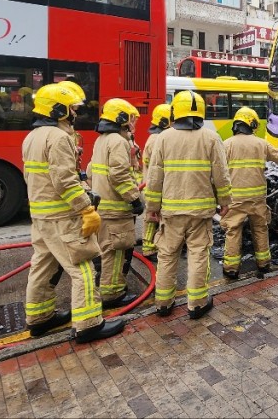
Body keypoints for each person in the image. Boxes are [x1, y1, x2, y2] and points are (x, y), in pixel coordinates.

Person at [21, 83, 125, 344]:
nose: (76, 113)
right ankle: (89, 324)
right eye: (73, 109)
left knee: (43, 265)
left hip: (42, 216)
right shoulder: (58, 138)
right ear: (59, 109)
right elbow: (64, 181)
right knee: (84, 269)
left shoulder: (32, 136)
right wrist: (86, 208)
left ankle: (39, 318)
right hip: (62, 217)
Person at [144, 90, 231, 320]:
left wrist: (152, 207)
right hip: (200, 212)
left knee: (167, 255)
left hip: (171, 212)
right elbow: (221, 175)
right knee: (198, 255)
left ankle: (163, 303)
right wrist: (225, 203)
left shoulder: (163, 138)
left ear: (176, 111)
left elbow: (154, 177)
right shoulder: (211, 138)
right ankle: (197, 303)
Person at [89, 98, 146, 310]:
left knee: (106, 250)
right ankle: (112, 294)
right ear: (120, 118)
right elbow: (120, 175)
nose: (133, 123)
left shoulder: (102, 140)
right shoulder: (118, 141)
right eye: (131, 119)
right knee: (116, 251)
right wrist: (134, 199)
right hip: (117, 210)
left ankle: (107, 287)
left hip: (104, 207)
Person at [220, 107, 278, 278]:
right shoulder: (261, 143)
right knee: (260, 229)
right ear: (252, 124)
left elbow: (217, 171)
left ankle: (231, 268)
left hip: (235, 198)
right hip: (257, 198)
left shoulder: (226, 144)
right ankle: (264, 263)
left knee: (233, 231)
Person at [140, 104, 171, 262]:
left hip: (152, 185)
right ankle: (148, 247)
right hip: (153, 186)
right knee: (152, 217)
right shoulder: (157, 140)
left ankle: (150, 245)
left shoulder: (154, 138)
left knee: (153, 216)